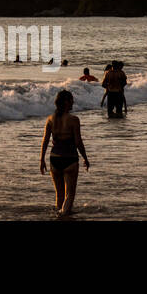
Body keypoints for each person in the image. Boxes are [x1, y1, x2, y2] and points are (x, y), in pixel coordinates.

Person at [40, 90, 89, 218]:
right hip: (70, 159)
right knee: (70, 194)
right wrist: (85, 158)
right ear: (66, 102)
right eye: (71, 100)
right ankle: (62, 216)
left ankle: (60, 214)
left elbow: (45, 141)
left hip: (54, 159)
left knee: (59, 195)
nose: (73, 102)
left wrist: (41, 160)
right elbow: (78, 142)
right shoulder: (74, 120)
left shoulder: (50, 119)